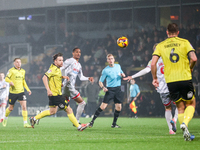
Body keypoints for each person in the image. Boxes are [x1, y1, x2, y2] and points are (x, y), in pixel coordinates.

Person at [151, 23, 197, 141]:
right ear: (178, 32)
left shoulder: (160, 46)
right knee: (191, 103)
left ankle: (185, 132)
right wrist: (191, 67)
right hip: (185, 78)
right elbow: (194, 58)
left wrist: (155, 78)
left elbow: (152, 63)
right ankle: (185, 123)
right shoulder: (185, 42)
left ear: (167, 32)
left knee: (180, 107)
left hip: (171, 81)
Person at [124, 43, 178, 135]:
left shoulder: (153, 61)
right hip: (173, 85)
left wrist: (132, 76)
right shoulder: (169, 57)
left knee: (167, 108)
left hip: (162, 88)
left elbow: (146, 70)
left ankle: (171, 130)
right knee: (178, 105)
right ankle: (175, 119)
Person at [30, 53, 88, 131]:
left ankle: (34, 118)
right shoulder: (53, 69)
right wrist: (48, 89)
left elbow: (55, 77)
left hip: (54, 95)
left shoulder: (57, 69)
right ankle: (79, 126)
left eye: (62, 60)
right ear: (55, 61)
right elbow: (44, 77)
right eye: (59, 60)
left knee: (52, 112)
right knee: (69, 109)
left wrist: (62, 78)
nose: (62, 62)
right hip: (55, 95)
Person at [88, 54, 125, 128]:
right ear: (107, 61)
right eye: (109, 59)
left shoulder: (118, 66)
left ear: (114, 59)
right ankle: (92, 121)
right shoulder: (105, 70)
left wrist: (123, 75)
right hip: (110, 90)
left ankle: (114, 124)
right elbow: (100, 81)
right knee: (103, 107)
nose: (111, 60)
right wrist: (103, 87)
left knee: (119, 108)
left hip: (118, 89)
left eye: (112, 58)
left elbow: (122, 73)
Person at [60, 47, 94, 124]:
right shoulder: (70, 61)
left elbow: (81, 77)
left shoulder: (79, 65)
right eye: (76, 52)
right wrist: (62, 78)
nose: (78, 53)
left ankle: (38, 115)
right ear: (73, 53)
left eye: (79, 52)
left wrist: (88, 78)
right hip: (68, 86)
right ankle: (77, 121)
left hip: (68, 87)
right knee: (82, 103)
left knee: (62, 106)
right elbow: (61, 68)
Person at [3, 58, 32, 128]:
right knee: (10, 108)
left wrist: (28, 89)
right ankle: (5, 118)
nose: (19, 63)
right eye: (17, 62)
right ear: (14, 63)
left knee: (24, 107)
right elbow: (6, 78)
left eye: (20, 62)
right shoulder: (11, 70)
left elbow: (23, 81)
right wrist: (10, 82)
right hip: (13, 92)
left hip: (21, 92)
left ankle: (25, 123)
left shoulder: (23, 71)